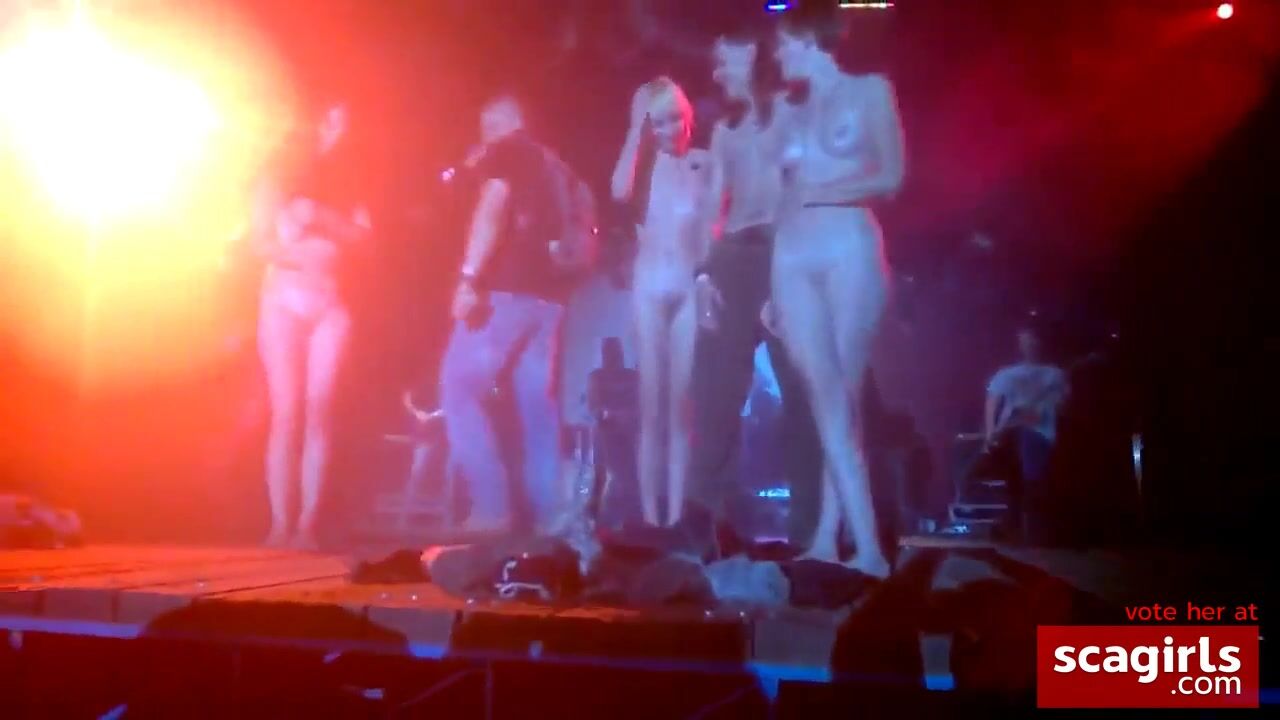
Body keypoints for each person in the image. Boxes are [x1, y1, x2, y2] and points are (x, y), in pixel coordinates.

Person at [771, 6, 906, 577]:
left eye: (784, 44)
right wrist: (772, 286)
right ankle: (836, 540)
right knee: (823, 398)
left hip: (848, 245)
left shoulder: (871, 90)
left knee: (840, 398)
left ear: (809, 40)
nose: (778, 55)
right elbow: (782, 194)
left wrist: (824, 192)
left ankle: (859, 544)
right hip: (793, 255)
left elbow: (891, 175)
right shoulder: (788, 108)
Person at [682, 28, 823, 557]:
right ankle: (703, 527)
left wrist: (788, 274)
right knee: (714, 398)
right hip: (733, 261)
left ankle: (812, 533)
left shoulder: (794, 113)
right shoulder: (725, 131)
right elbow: (711, 206)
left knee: (803, 397)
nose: (717, 73)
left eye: (726, 62)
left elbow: (802, 192)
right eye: (716, 64)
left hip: (785, 253)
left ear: (753, 59)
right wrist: (702, 274)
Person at [438, 94, 569, 536]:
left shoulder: (507, 151)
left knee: (458, 388)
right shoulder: (553, 164)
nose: (482, 138)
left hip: (505, 290)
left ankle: (491, 506)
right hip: (548, 298)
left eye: (486, 127)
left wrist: (469, 277)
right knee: (537, 406)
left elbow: (492, 209)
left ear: (503, 124)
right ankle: (553, 514)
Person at [255, 101, 372, 550]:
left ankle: (308, 524)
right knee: (286, 411)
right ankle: (279, 523)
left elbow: (365, 240)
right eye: (331, 121)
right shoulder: (277, 174)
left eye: (345, 122)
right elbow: (259, 243)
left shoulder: (351, 181)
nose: (339, 131)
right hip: (284, 299)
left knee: (319, 408)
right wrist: (291, 238)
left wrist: (323, 218)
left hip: (330, 300)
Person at [610, 78, 714, 526]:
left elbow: (713, 229)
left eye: (675, 118)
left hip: (687, 286)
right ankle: (652, 518)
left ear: (688, 117)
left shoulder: (705, 163)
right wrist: (636, 128)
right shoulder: (642, 170)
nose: (670, 129)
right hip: (649, 285)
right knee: (651, 405)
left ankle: (676, 516)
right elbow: (618, 191)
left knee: (680, 407)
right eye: (659, 122)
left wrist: (707, 279)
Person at [983, 324, 1068, 536]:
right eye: (1025, 339)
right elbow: (993, 402)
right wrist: (991, 432)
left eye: (1033, 339)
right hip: (1009, 434)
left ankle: (1030, 526)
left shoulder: (1054, 374)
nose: (1029, 344)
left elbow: (1057, 406)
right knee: (1011, 475)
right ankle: (1012, 523)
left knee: (1031, 475)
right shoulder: (1007, 374)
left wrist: (1025, 419)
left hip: (1039, 433)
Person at [586, 337, 640, 528]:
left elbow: (641, 402)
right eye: (609, 352)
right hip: (606, 433)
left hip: (625, 434)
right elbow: (594, 406)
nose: (612, 356)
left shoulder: (632, 376)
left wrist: (628, 416)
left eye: (615, 352)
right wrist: (611, 415)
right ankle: (596, 516)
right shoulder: (597, 377)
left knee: (629, 475)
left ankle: (629, 517)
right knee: (601, 475)